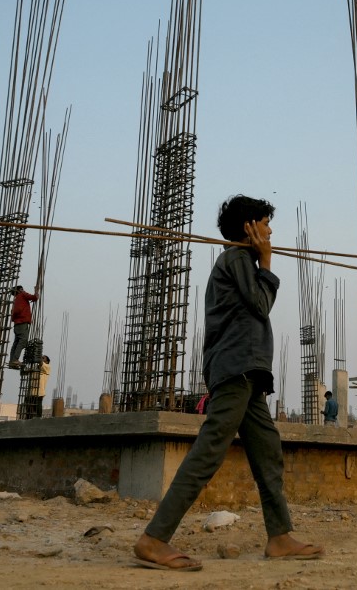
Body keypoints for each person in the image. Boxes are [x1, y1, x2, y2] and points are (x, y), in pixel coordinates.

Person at [133, 195, 323, 572]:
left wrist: (262, 262)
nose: (270, 231)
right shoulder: (237, 259)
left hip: (248, 372)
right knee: (209, 449)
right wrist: (266, 261)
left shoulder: (240, 261)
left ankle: (280, 535)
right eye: (265, 224)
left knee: (267, 451)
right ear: (249, 227)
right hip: (236, 369)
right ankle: (154, 538)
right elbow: (260, 305)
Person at [8, 284, 39, 369]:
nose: (23, 290)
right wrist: (36, 291)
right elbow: (34, 298)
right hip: (22, 322)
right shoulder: (22, 294)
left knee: (16, 342)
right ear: (19, 290)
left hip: (17, 324)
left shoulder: (16, 300)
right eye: (21, 289)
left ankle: (12, 361)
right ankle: (15, 359)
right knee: (23, 340)